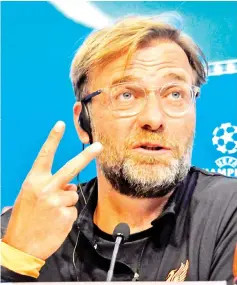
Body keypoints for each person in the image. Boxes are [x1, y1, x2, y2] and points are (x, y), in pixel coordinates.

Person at [1, 14, 237, 283]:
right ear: (84, 122)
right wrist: (14, 260)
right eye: (127, 95)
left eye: (175, 94)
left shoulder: (230, 213)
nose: (154, 119)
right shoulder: (24, 229)